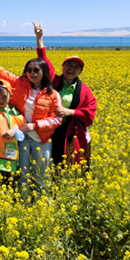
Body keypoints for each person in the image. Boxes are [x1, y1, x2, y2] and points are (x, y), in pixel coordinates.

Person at [0, 41, 61, 198]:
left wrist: (34, 126)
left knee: (41, 174)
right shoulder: (19, 83)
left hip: (41, 139)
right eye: (29, 70)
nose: (32, 73)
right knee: (22, 173)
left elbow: (57, 119)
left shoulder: (53, 94)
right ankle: (23, 202)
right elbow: (0, 73)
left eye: (36, 70)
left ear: (44, 71)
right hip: (21, 138)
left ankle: (41, 203)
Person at [33, 22, 97, 166]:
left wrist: (71, 112)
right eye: (68, 65)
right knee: (53, 162)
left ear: (80, 72)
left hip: (72, 131)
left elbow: (90, 113)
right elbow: (43, 59)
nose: (71, 69)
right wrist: (39, 38)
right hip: (52, 129)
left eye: (76, 67)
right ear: (62, 67)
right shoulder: (54, 81)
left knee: (73, 162)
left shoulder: (85, 91)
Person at [0, 79, 26, 177]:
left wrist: (15, 131)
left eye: (4, 97)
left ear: (11, 96)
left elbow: (23, 133)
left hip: (12, 157)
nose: (1, 100)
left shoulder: (17, 114)